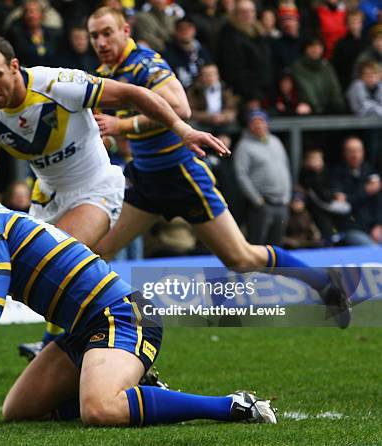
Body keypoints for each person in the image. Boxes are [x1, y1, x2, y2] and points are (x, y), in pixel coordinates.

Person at [0, 167, 278, 427]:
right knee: (18, 411)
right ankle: (142, 392)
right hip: (86, 328)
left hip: (122, 317)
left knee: (98, 410)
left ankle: (231, 406)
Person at [87, 6, 351, 327]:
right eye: (94, 36)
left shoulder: (145, 63)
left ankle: (325, 284)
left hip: (180, 175)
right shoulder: (105, 71)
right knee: (96, 253)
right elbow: (126, 128)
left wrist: (122, 127)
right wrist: (114, 138)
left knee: (240, 258)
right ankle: (78, 339)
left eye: (107, 33)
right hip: (144, 177)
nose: (100, 41)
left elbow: (179, 107)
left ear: (126, 31)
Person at [0, 34, 228, 352]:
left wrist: (184, 130)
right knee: (41, 276)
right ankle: (65, 344)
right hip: (48, 197)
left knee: (58, 261)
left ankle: (116, 336)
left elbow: (135, 94)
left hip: (96, 188)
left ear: (14, 67)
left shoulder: (58, 84)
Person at [233, 110, 292, 245]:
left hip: (282, 202)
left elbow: (286, 168)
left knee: (277, 244)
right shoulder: (244, 146)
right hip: (262, 203)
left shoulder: (276, 141)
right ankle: (256, 268)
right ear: (249, 125)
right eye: (255, 122)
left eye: (261, 122)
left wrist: (287, 196)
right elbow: (241, 175)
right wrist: (256, 199)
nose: (259, 126)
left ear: (267, 124)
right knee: (258, 243)